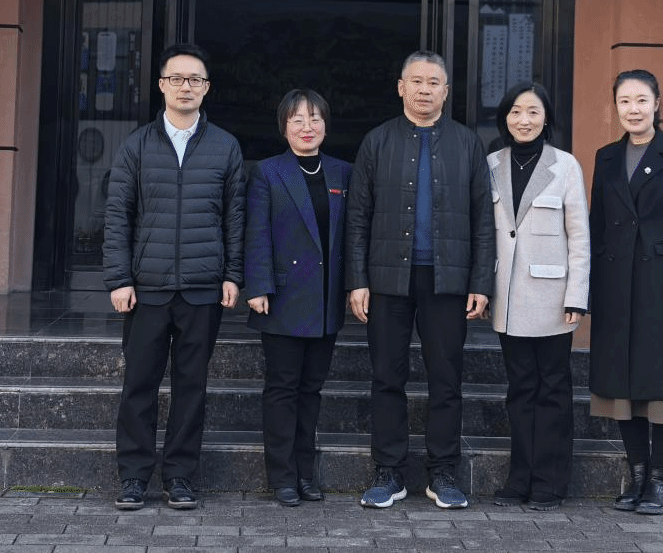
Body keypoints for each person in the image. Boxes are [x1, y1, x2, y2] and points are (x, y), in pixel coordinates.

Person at [345, 50, 495, 510]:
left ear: (446, 91)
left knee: (446, 378)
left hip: (447, 279)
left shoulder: (467, 143)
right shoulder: (377, 141)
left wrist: (481, 282)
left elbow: (483, 219)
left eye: (434, 83)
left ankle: (443, 471)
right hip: (388, 277)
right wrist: (357, 279)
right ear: (401, 87)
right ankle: (389, 471)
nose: (425, 90)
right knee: (386, 376)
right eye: (417, 81)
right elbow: (358, 216)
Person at [103, 42, 245, 512]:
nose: (186, 87)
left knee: (191, 387)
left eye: (195, 80)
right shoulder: (136, 146)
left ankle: (180, 475)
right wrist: (119, 279)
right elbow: (118, 217)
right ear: (162, 84)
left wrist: (233, 274)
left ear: (207, 88)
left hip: (203, 289)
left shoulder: (225, 146)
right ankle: (134, 477)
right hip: (147, 288)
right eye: (177, 78)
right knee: (138, 386)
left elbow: (235, 218)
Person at [587, 68, 663, 516]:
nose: (633, 109)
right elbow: (598, 226)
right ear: (615, 106)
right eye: (624, 101)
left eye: (641, 100)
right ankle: (637, 477)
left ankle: (660, 480)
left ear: (657, 103)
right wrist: (590, 288)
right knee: (623, 384)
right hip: (616, 284)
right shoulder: (605, 157)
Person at [244, 89, 352, 507]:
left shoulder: (343, 172)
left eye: (315, 119)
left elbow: (352, 235)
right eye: (297, 120)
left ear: (326, 124)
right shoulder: (268, 172)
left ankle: (306, 474)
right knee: (282, 388)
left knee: (312, 390)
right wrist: (258, 286)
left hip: (325, 300)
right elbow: (256, 232)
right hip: (283, 297)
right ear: (284, 127)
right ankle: (283, 476)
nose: (307, 127)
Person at [486, 82, 590, 510]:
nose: (523, 120)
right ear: (505, 118)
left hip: (552, 299)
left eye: (533, 112)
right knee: (520, 391)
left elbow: (579, 236)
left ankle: (549, 483)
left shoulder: (565, 165)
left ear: (547, 118)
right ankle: (519, 480)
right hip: (507, 297)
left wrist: (577, 295)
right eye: (515, 111)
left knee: (553, 392)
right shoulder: (491, 164)